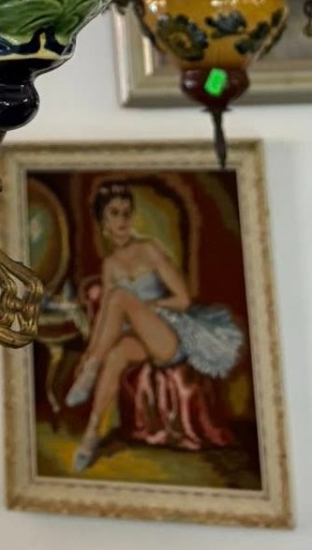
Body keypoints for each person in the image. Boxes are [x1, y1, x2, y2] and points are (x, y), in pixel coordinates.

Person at [65, 181, 245, 473]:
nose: (123, 221)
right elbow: (105, 319)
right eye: (115, 214)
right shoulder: (110, 265)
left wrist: (147, 307)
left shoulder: (149, 249)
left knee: (119, 297)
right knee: (116, 355)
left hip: (168, 335)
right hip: (138, 336)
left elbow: (183, 299)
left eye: (127, 213)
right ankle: (91, 434)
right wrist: (88, 353)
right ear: (103, 222)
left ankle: (90, 371)